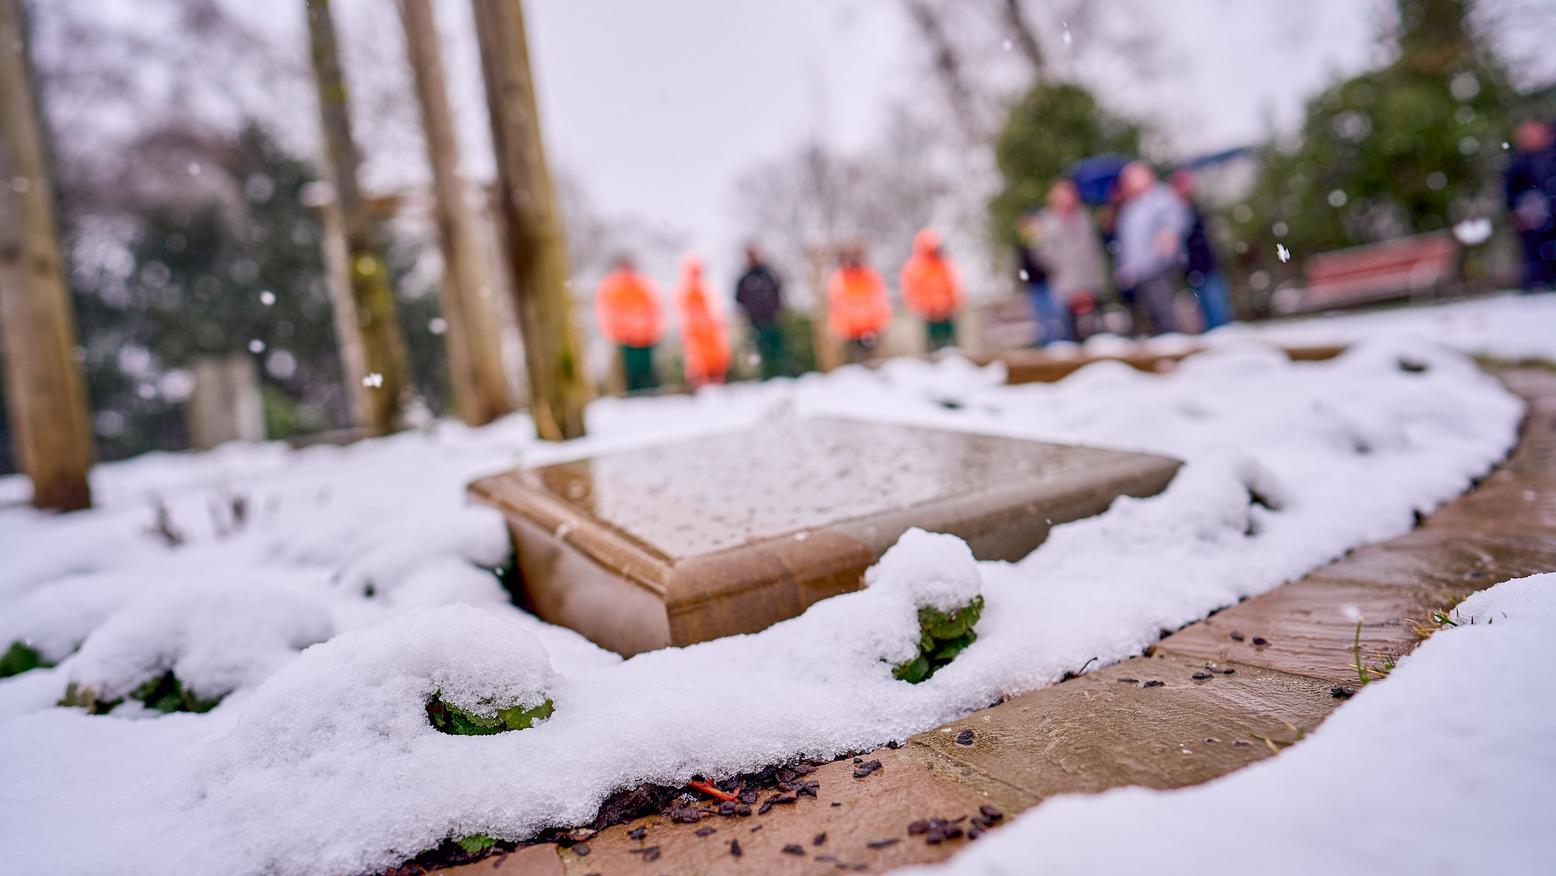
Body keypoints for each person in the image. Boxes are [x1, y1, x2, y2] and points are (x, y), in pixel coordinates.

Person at [1114, 161, 1189, 336]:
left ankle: (1173, 341)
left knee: (1164, 310)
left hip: (1158, 265)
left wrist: (1169, 233)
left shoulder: (1161, 197)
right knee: (1150, 314)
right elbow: (1127, 242)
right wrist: (1125, 267)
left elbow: (1177, 219)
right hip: (1138, 272)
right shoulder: (1129, 207)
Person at [1034, 180, 1109, 341]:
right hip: (1065, 286)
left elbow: (1094, 252)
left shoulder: (1085, 218)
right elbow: (1042, 254)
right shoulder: (1046, 223)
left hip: (1090, 284)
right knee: (1069, 332)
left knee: (1096, 331)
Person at [1170, 168, 1233, 330]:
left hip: (1205, 266)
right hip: (1196, 268)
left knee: (1216, 310)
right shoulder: (1178, 212)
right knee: (1210, 311)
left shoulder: (1191, 208)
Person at [594, 255, 662, 393]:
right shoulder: (615, 287)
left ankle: (644, 390)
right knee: (632, 370)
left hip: (643, 336)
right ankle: (634, 391)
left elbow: (653, 309)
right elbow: (610, 312)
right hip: (628, 337)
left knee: (643, 368)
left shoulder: (640, 285)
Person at [1504, 119, 1556, 292]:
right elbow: (1511, 190)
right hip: (1534, 216)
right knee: (1536, 251)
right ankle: (1539, 281)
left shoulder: (1551, 156)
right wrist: (1515, 211)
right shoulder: (1518, 163)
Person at [899, 228, 964, 352]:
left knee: (952, 350)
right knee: (932, 350)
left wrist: (951, 304)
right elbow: (911, 293)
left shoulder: (945, 265)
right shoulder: (916, 268)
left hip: (947, 314)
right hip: (929, 317)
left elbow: (954, 286)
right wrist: (927, 308)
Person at [826, 247, 891, 364]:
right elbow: (836, 306)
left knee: (874, 361)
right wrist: (840, 328)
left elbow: (879, 300)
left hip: (871, 329)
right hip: (850, 331)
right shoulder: (839, 280)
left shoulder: (870, 276)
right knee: (854, 364)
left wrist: (879, 323)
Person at [733, 244, 788, 378]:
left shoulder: (768, 274)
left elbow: (778, 291)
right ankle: (767, 377)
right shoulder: (744, 279)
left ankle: (783, 375)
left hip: (773, 319)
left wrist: (778, 310)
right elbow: (739, 299)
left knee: (779, 351)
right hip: (756, 322)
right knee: (763, 352)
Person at [675, 257, 731, 388]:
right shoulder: (689, 290)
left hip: (709, 331)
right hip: (699, 332)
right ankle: (703, 384)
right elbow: (690, 313)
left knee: (714, 358)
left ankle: (715, 382)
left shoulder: (704, 288)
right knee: (700, 359)